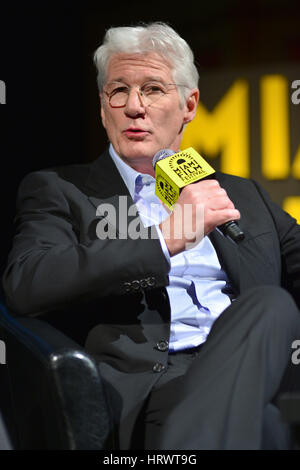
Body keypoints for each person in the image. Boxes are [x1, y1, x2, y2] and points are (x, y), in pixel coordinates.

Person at [2, 22, 300, 450]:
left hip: (263, 370)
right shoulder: (61, 190)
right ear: (103, 110)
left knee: (268, 306)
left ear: (189, 104)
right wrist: (163, 239)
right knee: (268, 428)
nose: (134, 107)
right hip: (159, 385)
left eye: (154, 89)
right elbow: (26, 283)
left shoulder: (242, 194)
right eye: (117, 91)